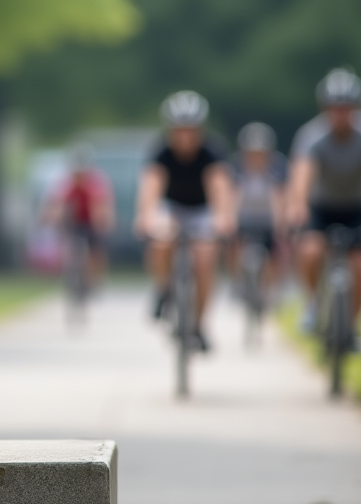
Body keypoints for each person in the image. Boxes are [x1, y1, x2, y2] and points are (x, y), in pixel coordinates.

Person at [134, 91, 235, 351]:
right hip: (172, 208)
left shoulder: (212, 151)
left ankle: (198, 324)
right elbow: (151, 186)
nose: (185, 137)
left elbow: (220, 186)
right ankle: (163, 288)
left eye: (190, 130)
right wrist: (146, 217)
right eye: (179, 130)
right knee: (161, 241)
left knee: (205, 258)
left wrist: (224, 219)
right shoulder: (161, 151)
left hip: (203, 209)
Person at [286, 68, 361, 340]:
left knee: (358, 265)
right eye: (335, 108)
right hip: (321, 207)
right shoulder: (312, 136)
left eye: (346, 108)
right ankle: (314, 302)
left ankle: (349, 327)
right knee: (310, 251)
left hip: (355, 207)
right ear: (326, 109)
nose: (341, 114)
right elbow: (302, 175)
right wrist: (297, 207)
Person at [226, 122, 287, 305]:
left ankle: (273, 288)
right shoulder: (236, 167)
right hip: (244, 217)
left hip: (268, 218)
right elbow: (232, 195)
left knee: (279, 248)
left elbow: (280, 196)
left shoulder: (278, 167)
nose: (256, 157)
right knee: (232, 243)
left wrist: (280, 224)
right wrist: (231, 220)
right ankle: (237, 280)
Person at [42, 143, 115, 290]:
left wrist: (103, 222)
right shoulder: (65, 182)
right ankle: (69, 271)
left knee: (96, 248)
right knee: (68, 244)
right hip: (74, 220)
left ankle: (95, 278)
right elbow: (56, 203)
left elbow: (101, 206)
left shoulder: (96, 182)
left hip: (90, 220)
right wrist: (51, 218)